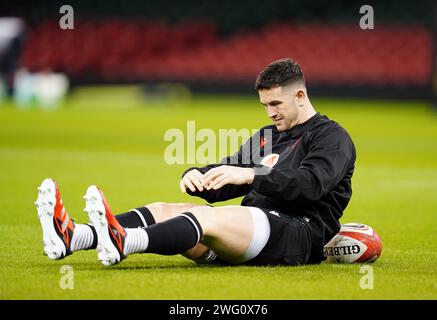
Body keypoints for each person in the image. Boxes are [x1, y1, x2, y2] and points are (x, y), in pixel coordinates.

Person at [35, 58, 356, 267]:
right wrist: (198, 176)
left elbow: (312, 184)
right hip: (247, 230)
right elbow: (229, 172)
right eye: (264, 105)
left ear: (300, 96)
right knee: (164, 209)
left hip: (298, 234)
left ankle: (124, 243)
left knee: (205, 218)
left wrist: (251, 176)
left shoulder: (332, 136)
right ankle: (75, 235)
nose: (270, 112)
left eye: (276, 103)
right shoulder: (267, 135)